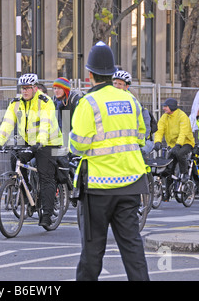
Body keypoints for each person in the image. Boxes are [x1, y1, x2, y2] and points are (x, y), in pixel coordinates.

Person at [69, 41, 149, 281]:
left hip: (98, 187)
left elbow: (78, 144)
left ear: (90, 74)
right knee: (132, 247)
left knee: (92, 252)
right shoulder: (131, 100)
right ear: (112, 73)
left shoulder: (88, 103)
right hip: (131, 183)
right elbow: (141, 136)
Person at [0, 73, 63, 227]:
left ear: (35, 88)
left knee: (46, 176)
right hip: (28, 141)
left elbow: (45, 125)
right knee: (14, 158)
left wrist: (39, 144)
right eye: (22, 88)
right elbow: (7, 123)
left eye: (28, 88)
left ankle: (47, 214)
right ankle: (27, 191)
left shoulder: (45, 101)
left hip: (48, 142)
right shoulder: (16, 103)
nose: (24, 91)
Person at [112, 70, 154, 156]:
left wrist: (138, 144)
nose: (116, 86)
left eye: (120, 84)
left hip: (130, 145)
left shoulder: (132, 101)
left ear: (126, 86)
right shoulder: (108, 98)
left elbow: (142, 126)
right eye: (115, 83)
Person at [154, 98, 195, 183]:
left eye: (166, 106)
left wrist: (178, 145)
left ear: (172, 107)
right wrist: (157, 142)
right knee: (169, 167)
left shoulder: (182, 116)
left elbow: (183, 132)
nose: (163, 108)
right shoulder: (165, 116)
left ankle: (185, 173)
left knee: (180, 154)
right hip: (173, 145)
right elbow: (159, 130)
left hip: (186, 142)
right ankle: (167, 193)